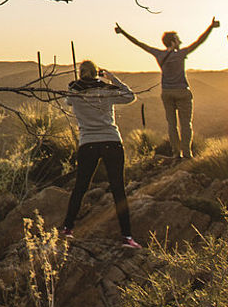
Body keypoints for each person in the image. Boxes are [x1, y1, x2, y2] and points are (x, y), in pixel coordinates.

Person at [61, 60, 141, 248]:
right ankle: (127, 236)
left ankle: (67, 228)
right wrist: (112, 78)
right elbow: (130, 97)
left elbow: (67, 101)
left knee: (80, 187)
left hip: (88, 143)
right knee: (118, 189)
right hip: (111, 141)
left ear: (80, 73)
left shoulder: (74, 92)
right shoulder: (106, 90)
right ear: (97, 73)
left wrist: (76, 83)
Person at [115, 17, 220, 158]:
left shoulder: (159, 54)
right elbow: (199, 41)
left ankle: (176, 153)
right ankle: (187, 153)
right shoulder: (181, 54)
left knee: (172, 125)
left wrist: (123, 32)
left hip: (167, 92)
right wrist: (211, 27)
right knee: (186, 124)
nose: (180, 42)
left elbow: (139, 43)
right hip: (182, 92)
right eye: (178, 39)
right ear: (173, 42)